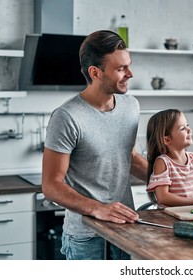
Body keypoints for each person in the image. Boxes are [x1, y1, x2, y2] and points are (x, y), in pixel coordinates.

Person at [42, 30, 148, 260]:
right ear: (95, 72)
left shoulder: (131, 106)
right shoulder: (67, 116)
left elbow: (129, 157)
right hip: (86, 237)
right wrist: (98, 208)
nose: (130, 74)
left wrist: (169, 181)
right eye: (121, 69)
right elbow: (51, 185)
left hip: (124, 229)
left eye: (128, 66)